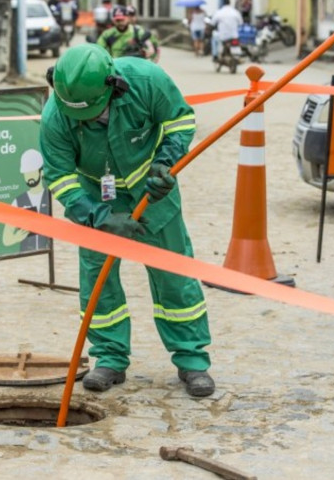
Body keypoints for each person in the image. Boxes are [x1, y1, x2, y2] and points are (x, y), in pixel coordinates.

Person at [39, 43, 214, 397]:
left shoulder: (147, 80)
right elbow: (59, 177)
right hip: (95, 200)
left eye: (92, 112)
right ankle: (109, 358)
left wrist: (167, 161)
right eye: (79, 116)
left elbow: (180, 120)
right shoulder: (55, 115)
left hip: (154, 194)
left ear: (113, 86)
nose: (86, 121)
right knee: (98, 281)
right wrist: (99, 217)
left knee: (174, 275)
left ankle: (192, 360)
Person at [2, 149, 51, 252]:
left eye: (32, 172)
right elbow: (6, 239)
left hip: (47, 254)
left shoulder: (50, 197)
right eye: (26, 173)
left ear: (41, 172)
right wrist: (17, 238)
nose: (29, 177)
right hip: (28, 260)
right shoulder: (18, 202)